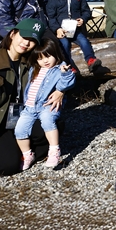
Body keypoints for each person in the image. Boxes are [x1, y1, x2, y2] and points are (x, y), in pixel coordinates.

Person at [0, 20, 49, 176]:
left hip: (19, 118)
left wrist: (59, 92)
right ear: (12, 34)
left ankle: (17, 149)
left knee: (53, 126)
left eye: (32, 40)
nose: (26, 43)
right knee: (7, 166)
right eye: (24, 37)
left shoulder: (28, 64)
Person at [13, 37, 75, 170]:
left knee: (48, 121)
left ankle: (54, 150)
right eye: (40, 58)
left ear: (56, 54)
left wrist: (65, 74)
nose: (45, 61)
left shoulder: (60, 69)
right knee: (19, 130)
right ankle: (27, 154)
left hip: (47, 105)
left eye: (48, 56)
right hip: (29, 107)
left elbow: (68, 81)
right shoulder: (34, 69)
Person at [46, 0, 101, 75]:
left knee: (84, 41)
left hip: (76, 30)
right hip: (62, 31)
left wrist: (83, 19)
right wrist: (57, 29)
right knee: (64, 44)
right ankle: (68, 65)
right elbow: (51, 18)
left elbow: (86, 11)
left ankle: (90, 60)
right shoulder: (52, 1)